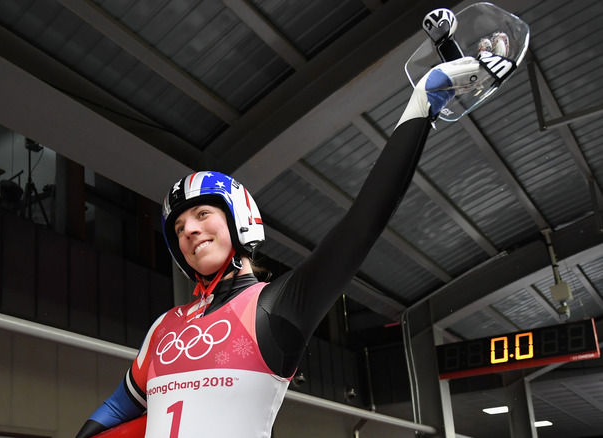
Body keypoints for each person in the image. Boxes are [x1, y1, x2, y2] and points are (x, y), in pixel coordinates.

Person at [75, 49, 498, 438]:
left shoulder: (277, 307)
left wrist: (421, 105)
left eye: (203, 214)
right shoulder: (162, 329)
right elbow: (117, 407)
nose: (188, 229)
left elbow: (362, 223)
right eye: (179, 225)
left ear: (239, 220)